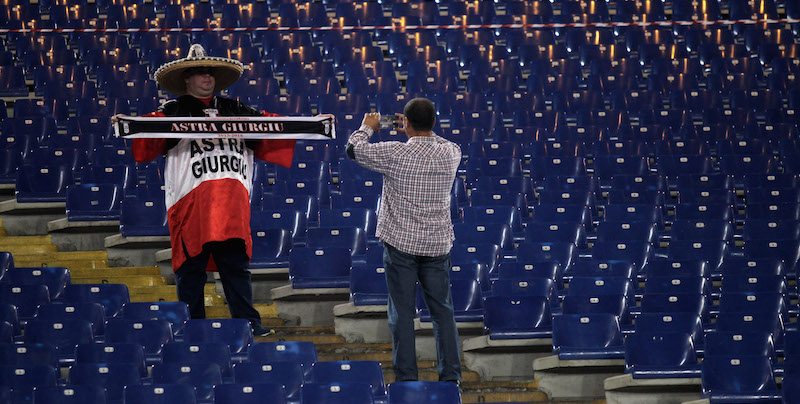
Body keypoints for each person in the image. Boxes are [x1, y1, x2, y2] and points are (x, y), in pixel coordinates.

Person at [122, 44, 300, 336]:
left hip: (232, 204)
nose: (207, 77)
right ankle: (192, 328)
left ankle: (250, 326)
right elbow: (145, 144)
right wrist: (132, 126)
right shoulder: (172, 111)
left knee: (236, 268)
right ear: (187, 80)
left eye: (210, 73)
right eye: (200, 72)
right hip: (192, 204)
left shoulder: (236, 109)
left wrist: (313, 125)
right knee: (191, 270)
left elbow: (273, 131)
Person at [345, 99, 463, 384]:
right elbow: (438, 138)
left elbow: (354, 150)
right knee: (443, 313)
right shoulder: (451, 153)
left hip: (401, 246)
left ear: (406, 123)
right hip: (436, 246)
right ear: (434, 124)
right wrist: (418, 130)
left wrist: (367, 127)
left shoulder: (395, 152)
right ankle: (450, 377)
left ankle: (407, 378)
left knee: (402, 313)